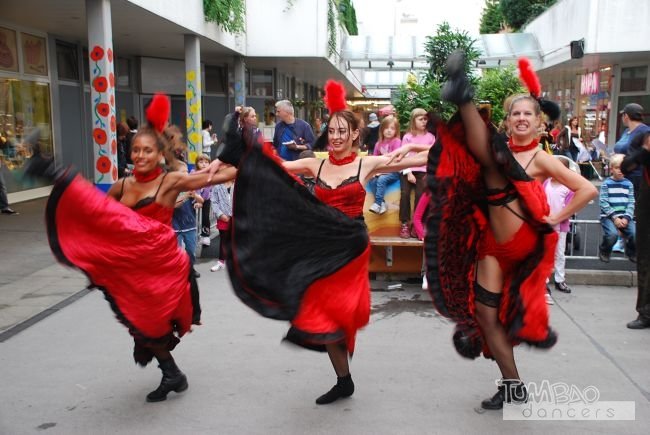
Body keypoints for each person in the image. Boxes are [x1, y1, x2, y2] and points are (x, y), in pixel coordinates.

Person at [401, 53, 597, 410]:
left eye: (528, 114)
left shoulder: (541, 158)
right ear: (507, 122)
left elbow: (588, 189)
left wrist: (556, 217)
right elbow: (445, 156)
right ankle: (512, 385)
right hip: (492, 246)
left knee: (492, 165)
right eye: (515, 114)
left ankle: (464, 97)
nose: (521, 118)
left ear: (540, 123)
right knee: (486, 317)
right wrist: (403, 158)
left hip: (523, 244)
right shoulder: (502, 148)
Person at [216, 83, 428, 406]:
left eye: (343, 131)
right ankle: (344, 381)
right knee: (322, 316)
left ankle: (343, 372)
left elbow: (423, 158)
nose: (337, 136)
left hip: (352, 245)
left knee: (336, 314)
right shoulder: (314, 164)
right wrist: (236, 149)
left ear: (356, 135)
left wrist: (420, 150)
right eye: (332, 131)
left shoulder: (366, 164)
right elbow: (270, 168)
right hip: (322, 243)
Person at [25, 94, 236, 402]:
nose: (139, 156)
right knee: (141, 325)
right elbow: (98, 216)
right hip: (132, 266)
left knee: (148, 323)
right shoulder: (121, 186)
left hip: (159, 265)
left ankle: (52, 170)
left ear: (159, 153)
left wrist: (242, 158)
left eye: (147, 150)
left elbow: (216, 176)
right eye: (135, 149)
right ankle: (172, 374)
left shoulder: (171, 181)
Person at [622, 132, 650, 329]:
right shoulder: (644, 139)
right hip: (647, 211)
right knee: (646, 261)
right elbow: (626, 166)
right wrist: (645, 150)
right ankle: (645, 312)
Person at [398, 108, 435, 238]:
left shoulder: (431, 137)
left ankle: (417, 224)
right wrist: (408, 173)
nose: (424, 122)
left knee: (421, 195)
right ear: (413, 121)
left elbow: (433, 156)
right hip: (408, 169)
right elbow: (403, 157)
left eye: (425, 119)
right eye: (421, 119)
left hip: (423, 171)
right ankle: (404, 224)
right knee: (405, 193)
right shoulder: (407, 137)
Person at [543, 156, 576, 295]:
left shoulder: (568, 189)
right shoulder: (545, 184)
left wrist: (558, 218)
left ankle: (559, 279)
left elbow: (570, 207)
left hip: (560, 226)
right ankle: (543, 281)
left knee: (559, 253)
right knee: (544, 254)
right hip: (545, 224)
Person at [598, 154, 636, 263]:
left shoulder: (629, 184)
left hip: (625, 216)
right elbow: (603, 202)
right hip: (609, 216)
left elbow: (631, 202)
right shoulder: (606, 184)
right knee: (612, 235)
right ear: (611, 169)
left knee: (634, 234)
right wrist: (615, 218)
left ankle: (631, 251)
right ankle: (605, 250)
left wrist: (626, 217)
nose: (620, 171)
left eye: (622, 168)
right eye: (617, 168)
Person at [614, 103, 650, 200]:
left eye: (623, 115)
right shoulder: (626, 131)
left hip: (635, 177)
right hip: (620, 174)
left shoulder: (645, 131)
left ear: (626, 116)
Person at [367, 116, 402, 214]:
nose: (389, 131)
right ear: (382, 129)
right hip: (381, 171)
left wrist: (381, 170)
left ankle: (377, 203)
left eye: (392, 128)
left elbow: (394, 159)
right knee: (372, 180)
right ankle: (381, 203)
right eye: (386, 128)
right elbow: (374, 159)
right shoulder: (378, 144)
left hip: (393, 171)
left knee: (381, 179)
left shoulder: (397, 142)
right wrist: (374, 172)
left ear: (396, 131)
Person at [209, 178, 233, 272]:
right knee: (223, 240)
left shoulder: (239, 184)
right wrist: (220, 214)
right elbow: (214, 202)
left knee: (237, 240)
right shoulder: (217, 186)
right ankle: (221, 262)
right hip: (223, 217)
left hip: (237, 217)